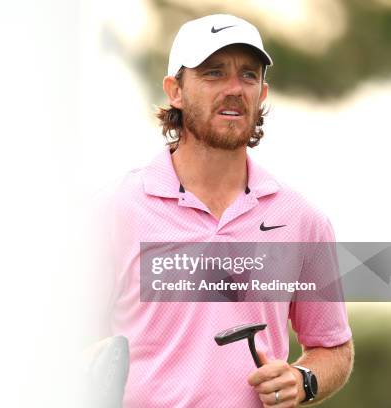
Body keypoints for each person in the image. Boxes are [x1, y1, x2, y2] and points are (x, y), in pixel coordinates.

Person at [100, 14, 354, 407]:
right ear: (175, 91)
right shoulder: (116, 210)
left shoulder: (302, 220)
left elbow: (333, 348)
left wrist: (302, 380)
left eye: (248, 75)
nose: (235, 88)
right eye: (214, 73)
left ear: (262, 93)